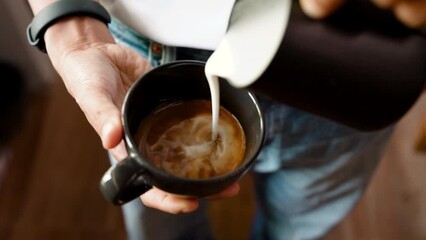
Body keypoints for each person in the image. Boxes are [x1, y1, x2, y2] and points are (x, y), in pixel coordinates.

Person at [27, 0, 426, 239]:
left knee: (298, 229)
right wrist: (69, 25)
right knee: (162, 231)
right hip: (140, 51)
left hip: (341, 70)